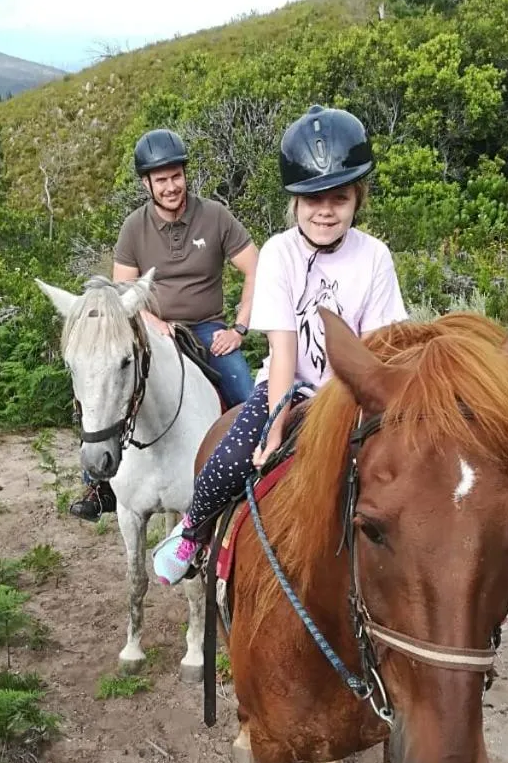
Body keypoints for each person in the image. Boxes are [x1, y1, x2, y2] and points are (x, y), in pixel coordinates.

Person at [152, 104, 407, 586]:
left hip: (353, 396)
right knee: (227, 461)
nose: (325, 210)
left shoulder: (375, 257)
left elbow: (377, 347)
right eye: (313, 199)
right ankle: (193, 531)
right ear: (295, 202)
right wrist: (274, 426)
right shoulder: (279, 253)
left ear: (358, 198)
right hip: (291, 389)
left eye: (339, 197)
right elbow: (284, 349)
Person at [69, 128, 259, 521]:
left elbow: (256, 268)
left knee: (245, 394)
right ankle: (97, 483)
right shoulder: (133, 227)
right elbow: (123, 293)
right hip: (150, 327)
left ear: (185, 175)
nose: (171, 187)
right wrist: (152, 319)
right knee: (101, 378)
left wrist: (239, 329)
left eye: (176, 176)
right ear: (147, 184)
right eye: (161, 180)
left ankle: (253, 479)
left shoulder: (215, 216)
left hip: (206, 329)